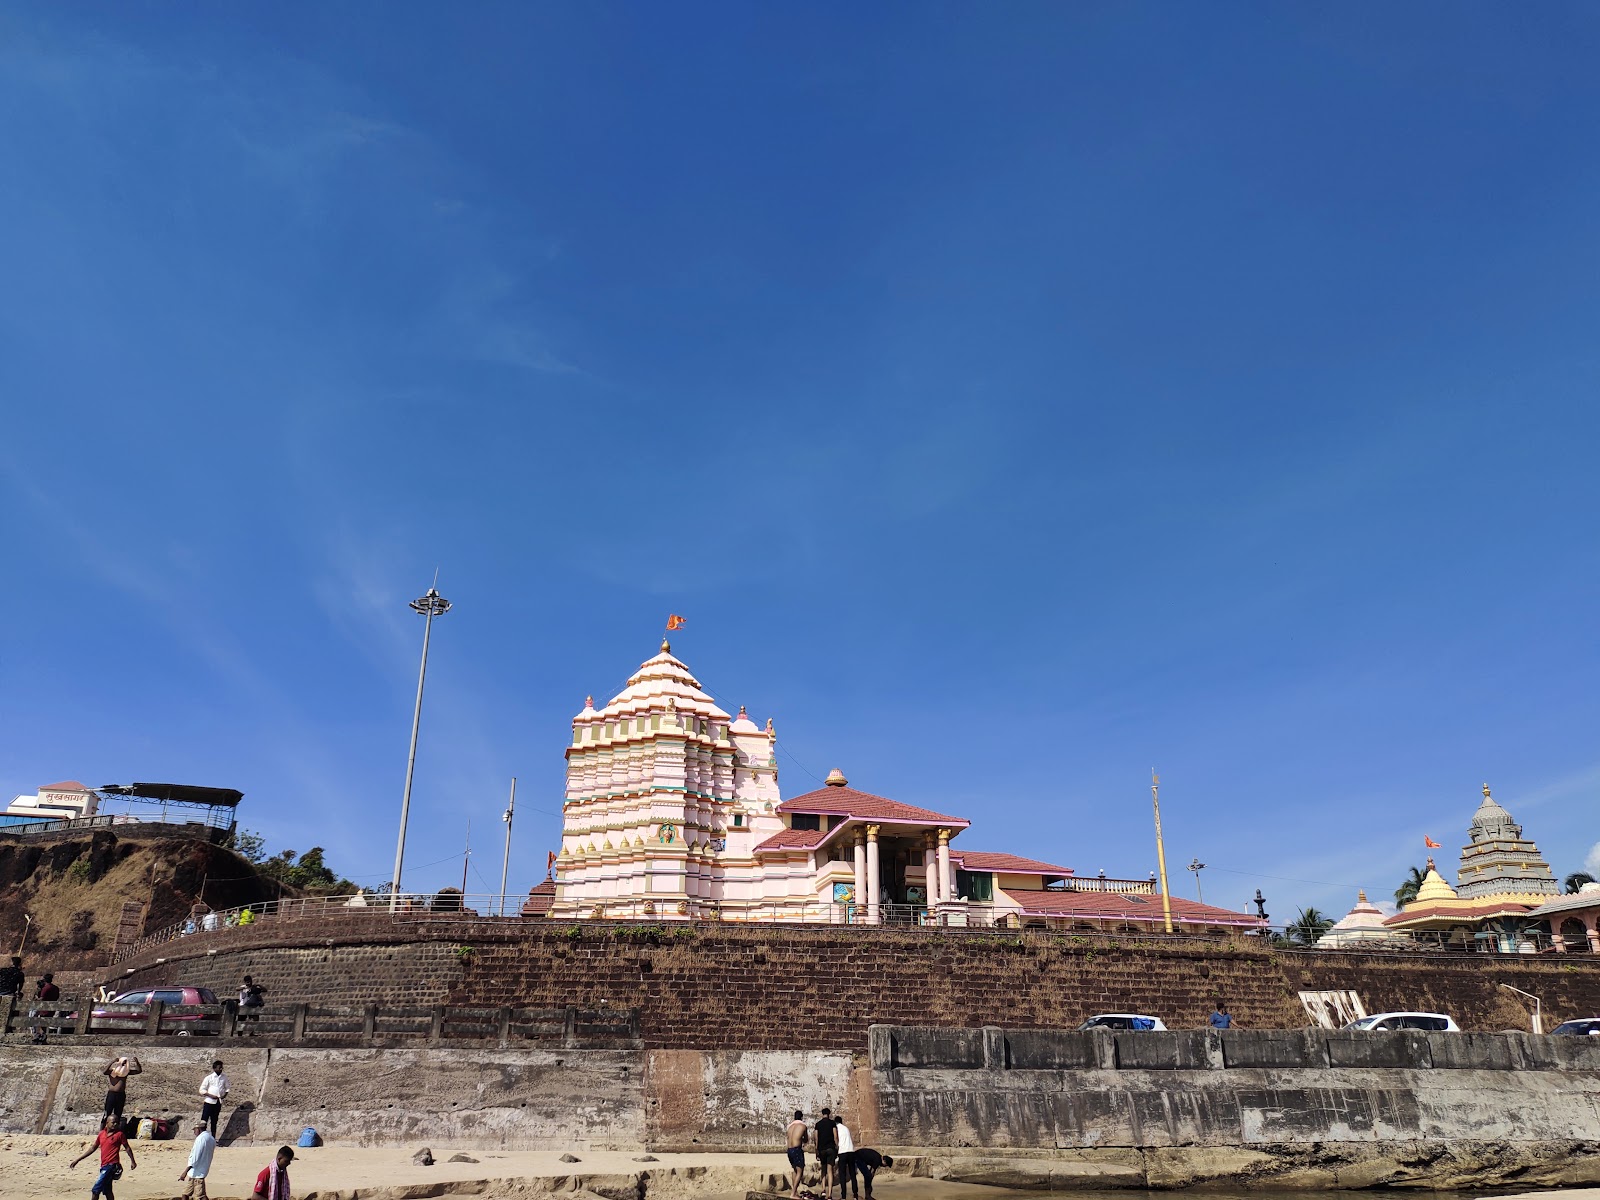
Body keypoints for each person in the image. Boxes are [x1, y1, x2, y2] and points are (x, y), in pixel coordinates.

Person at [71, 1113, 137, 1200]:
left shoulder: (119, 1135)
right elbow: (93, 1148)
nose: (116, 1124)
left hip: (112, 1166)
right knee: (108, 1190)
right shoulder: (101, 1134)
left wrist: (132, 1161)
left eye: (117, 1122)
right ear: (107, 1123)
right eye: (113, 1122)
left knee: (95, 1190)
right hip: (104, 1165)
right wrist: (78, 1159)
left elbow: (127, 1148)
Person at [179, 1119, 217, 1200]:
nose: (194, 1132)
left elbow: (195, 1158)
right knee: (185, 1194)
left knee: (201, 1196)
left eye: (195, 1130)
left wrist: (185, 1172)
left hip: (198, 1173)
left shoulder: (200, 1139)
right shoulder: (211, 1138)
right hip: (197, 1172)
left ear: (198, 1129)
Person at [103, 1056, 142, 1120]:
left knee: (118, 1113)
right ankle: (103, 1128)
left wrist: (136, 1062)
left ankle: (116, 1128)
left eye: (125, 1063)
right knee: (107, 1113)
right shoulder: (113, 1071)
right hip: (112, 1094)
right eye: (123, 1063)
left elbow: (138, 1071)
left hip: (121, 1094)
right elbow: (104, 1072)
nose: (124, 1065)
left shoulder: (126, 1072)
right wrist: (112, 1062)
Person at [813, 1106, 839, 1197]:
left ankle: (823, 1190)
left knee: (823, 1170)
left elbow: (816, 1138)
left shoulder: (818, 1124)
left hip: (822, 1149)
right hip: (831, 1149)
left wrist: (816, 1150)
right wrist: (837, 1147)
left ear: (822, 1114)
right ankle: (829, 1194)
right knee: (830, 1171)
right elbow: (835, 1137)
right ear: (829, 1114)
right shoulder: (832, 1123)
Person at [199, 1059, 229, 1135]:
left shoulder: (224, 1077)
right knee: (204, 1120)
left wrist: (224, 1095)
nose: (221, 1069)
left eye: (221, 1067)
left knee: (214, 1120)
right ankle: (202, 1136)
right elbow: (202, 1089)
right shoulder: (209, 1078)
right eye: (219, 1068)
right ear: (214, 1068)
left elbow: (227, 1087)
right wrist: (210, 1095)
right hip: (209, 1101)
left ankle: (213, 1138)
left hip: (218, 1102)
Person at [784, 1109, 808, 1200]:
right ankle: (793, 1193)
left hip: (789, 1150)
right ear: (801, 1117)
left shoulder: (790, 1127)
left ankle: (795, 1192)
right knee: (800, 1171)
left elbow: (789, 1137)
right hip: (797, 1149)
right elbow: (806, 1139)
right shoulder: (803, 1125)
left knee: (795, 1170)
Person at [834, 1113, 857, 1200]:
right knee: (852, 1174)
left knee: (842, 1175)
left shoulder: (836, 1128)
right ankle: (855, 1194)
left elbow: (836, 1140)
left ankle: (843, 1196)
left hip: (842, 1152)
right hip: (851, 1151)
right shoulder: (846, 1128)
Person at [33, 972, 61, 1043]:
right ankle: (42, 1036)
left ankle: (41, 1036)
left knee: (40, 1022)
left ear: (45, 980)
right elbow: (57, 997)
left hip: (44, 1008)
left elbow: (42, 999)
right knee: (45, 1023)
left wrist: (36, 997)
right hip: (52, 1007)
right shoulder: (56, 988)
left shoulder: (45, 988)